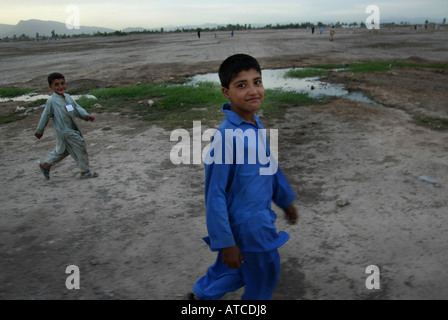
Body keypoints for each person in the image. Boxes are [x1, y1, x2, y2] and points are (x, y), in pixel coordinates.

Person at [189, 54, 298, 300]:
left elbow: (271, 167)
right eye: (242, 85)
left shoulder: (254, 124)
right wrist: (226, 242)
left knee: (236, 270)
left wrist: (285, 200)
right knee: (265, 273)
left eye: (257, 82)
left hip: (256, 219)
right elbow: (214, 194)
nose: (253, 91)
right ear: (226, 92)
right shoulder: (226, 137)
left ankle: (200, 297)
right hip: (249, 227)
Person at [35, 72, 98, 179]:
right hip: (65, 131)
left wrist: (86, 116)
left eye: (62, 83)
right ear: (51, 86)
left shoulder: (67, 97)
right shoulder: (52, 101)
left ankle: (46, 165)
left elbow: (76, 108)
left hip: (71, 129)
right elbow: (45, 116)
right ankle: (85, 171)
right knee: (80, 146)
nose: (60, 87)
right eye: (56, 84)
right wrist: (39, 131)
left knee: (63, 151)